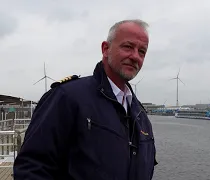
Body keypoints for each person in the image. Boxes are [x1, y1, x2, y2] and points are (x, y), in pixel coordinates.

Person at [13, 19, 157, 180]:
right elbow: (31, 168)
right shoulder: (67, 97)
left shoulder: (140, 116)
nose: (135, 56)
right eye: (128, 47)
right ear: (105, 49)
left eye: (142, 51)